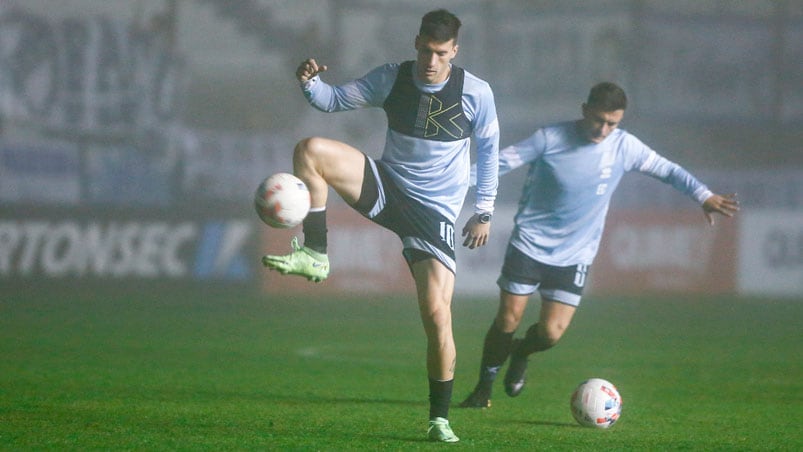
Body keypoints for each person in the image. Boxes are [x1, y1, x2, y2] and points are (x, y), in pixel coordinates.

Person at [262, 9, 499, 442]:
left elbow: (490, 151)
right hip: (388, 185)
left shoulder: (476, 93)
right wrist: (310, 83)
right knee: (310, 149)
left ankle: (439, 418)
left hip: (434, 213)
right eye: (426, 50)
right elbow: (332, 101)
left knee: (436, 314)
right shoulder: (392, 78)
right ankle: (315, 252)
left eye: (441, 53)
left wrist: (483, 210)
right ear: (416, 43)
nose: (431, 61)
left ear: (454, 52)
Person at [459, 82, 739, 409]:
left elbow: (667, 170)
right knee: (508, 318)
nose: (603, 129)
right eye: (599, 120)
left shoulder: (624, 147)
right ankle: (483, 389)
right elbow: (500, 164)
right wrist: (449, 183)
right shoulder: (550, 138)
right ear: (584, 110)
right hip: (530, 244)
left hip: (576, 254)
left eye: (612, 123)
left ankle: (521, 352)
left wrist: (703, 195)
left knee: (551, 334)